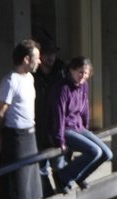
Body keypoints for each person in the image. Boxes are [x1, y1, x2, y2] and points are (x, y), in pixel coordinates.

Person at [0, 38, 45, 199]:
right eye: (36, 58)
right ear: (25, 59)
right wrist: (1, 133)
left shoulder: (29, 78)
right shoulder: (10, 81)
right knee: (12, 183)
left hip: (30, 133)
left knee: (30, 181)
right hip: (15, 136)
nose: (39, 62)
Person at [41, 56, 112, 192]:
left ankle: (79, 176)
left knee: (107, 154)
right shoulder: (62, 88)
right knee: (94, 151)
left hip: (78, 126)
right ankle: (63, 176)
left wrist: (85, 127)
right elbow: (59, 115)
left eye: (86, 73)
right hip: (65, 129)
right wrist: (59, 140)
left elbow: (84, 108)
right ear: (71, 70)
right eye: (80, 72)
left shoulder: (84, 85)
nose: (83, 76)